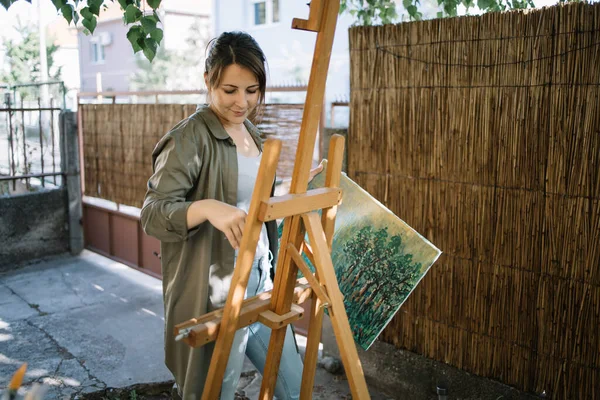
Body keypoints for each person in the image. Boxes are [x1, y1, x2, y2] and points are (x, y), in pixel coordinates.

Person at [141, 31, 321, 400]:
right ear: (208, 81)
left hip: (261, 279)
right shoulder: (188, 139)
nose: (242, 102)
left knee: (291, 383)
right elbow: (153, 214)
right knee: (214, 391)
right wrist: (207, 208)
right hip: (215, 293)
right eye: (230, 90)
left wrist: (289, 190)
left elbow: (251, 199)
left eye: (252, 91)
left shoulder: (251, 133)